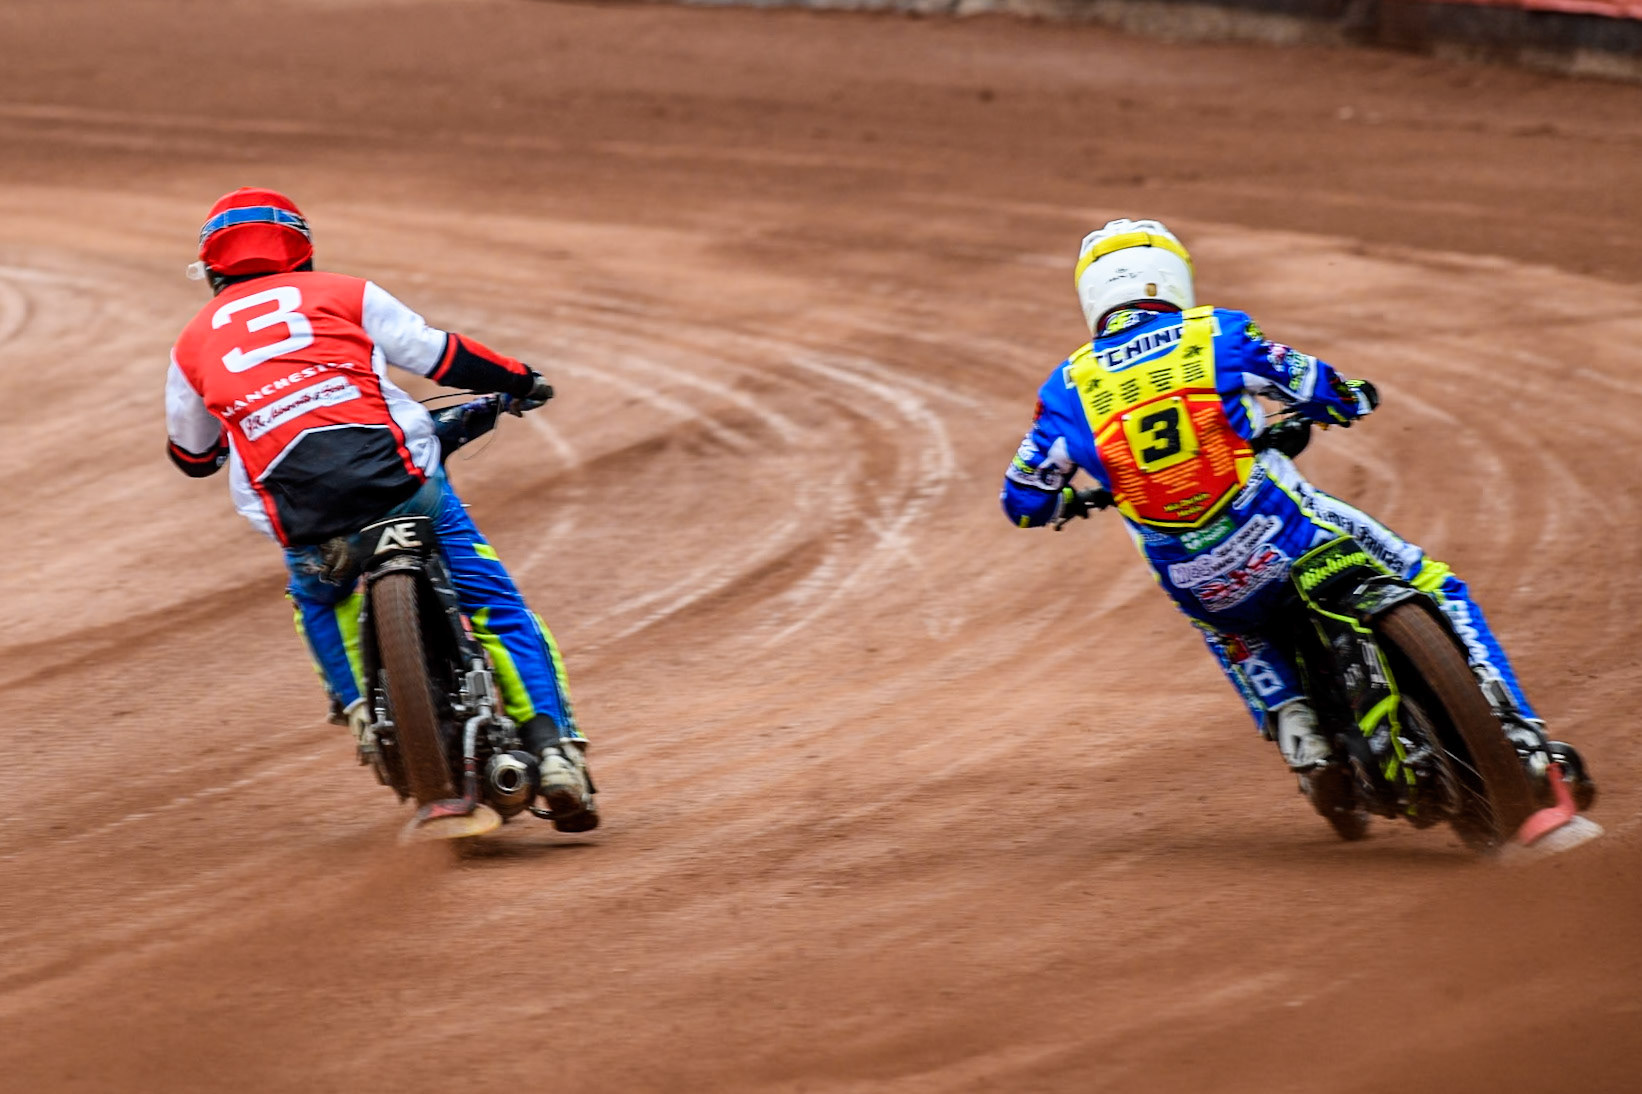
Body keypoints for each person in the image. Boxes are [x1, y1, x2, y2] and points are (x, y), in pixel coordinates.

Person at [999, 217, 1591, 809]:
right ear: (1171, 280)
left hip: (1197, 576)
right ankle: (1519, 736)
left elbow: (1024, 501)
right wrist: (1348, 399)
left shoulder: (1064, 389)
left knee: (1228, 624)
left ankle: (1301, 735)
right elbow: (1311, 382)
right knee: (1434, 581)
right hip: (1284, 528)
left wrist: (1072, 501)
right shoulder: (1216, 333)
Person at [164, 187, 596, 832]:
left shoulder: (190, 346)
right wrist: (519, 378)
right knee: (498, 607)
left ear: (213, 270)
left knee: (315, 594)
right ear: (301, 253)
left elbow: (193, 456)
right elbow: (440, 355)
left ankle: (362, 707)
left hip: (305, 519)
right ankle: (553, 751)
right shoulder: (346, 293)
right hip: (403, 482)